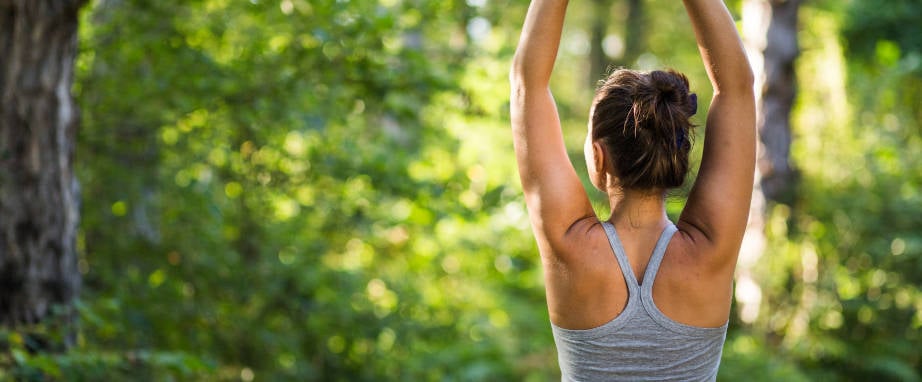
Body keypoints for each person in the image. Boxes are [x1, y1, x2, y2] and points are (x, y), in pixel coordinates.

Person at [509, 0, 755, 380]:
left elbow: (528, 83)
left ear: (598, 155)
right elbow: (737, 88)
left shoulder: (570, 245)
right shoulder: (709, 250)